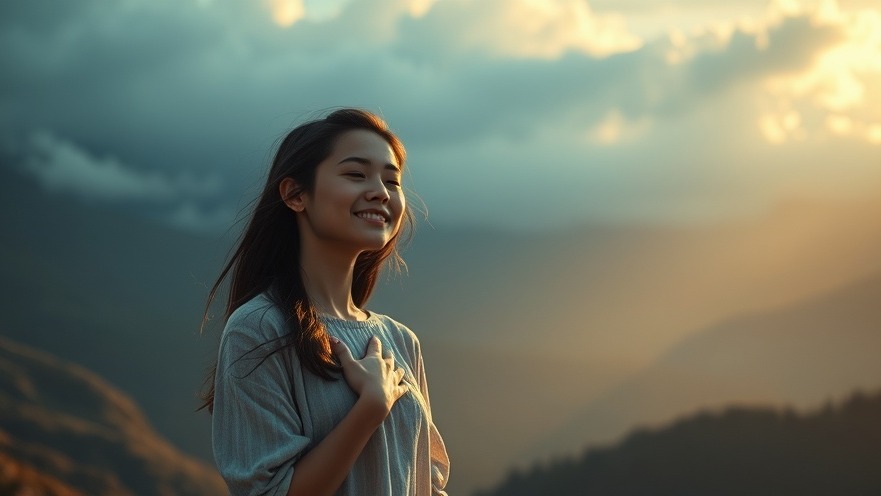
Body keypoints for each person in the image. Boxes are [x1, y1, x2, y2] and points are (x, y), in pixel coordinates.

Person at [201, 108, 450, 495]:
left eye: (392, 180)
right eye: (356, 174)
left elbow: (427, 484)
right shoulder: (259, 329)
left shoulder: (400, 341)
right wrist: (370, 408)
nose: (381, 192)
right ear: (295, 194)